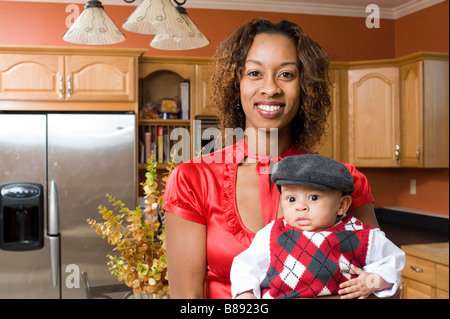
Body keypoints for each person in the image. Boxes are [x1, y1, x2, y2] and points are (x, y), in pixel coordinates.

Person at [163, 18, 378, 299]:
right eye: (254, 73)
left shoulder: (345, 180)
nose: (270, 88)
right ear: (235, 83)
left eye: (286, 75)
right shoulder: (193, 180)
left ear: (305, 86)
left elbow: (383, 283)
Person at [230, 154, 405, 299]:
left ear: (342, 205)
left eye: (313, 197)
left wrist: (373, 281)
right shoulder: (272, 234)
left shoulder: (361, 235)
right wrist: (245, 294)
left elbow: (392, 262)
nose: (300, 207)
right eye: (291, 199)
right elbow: (247, 266)